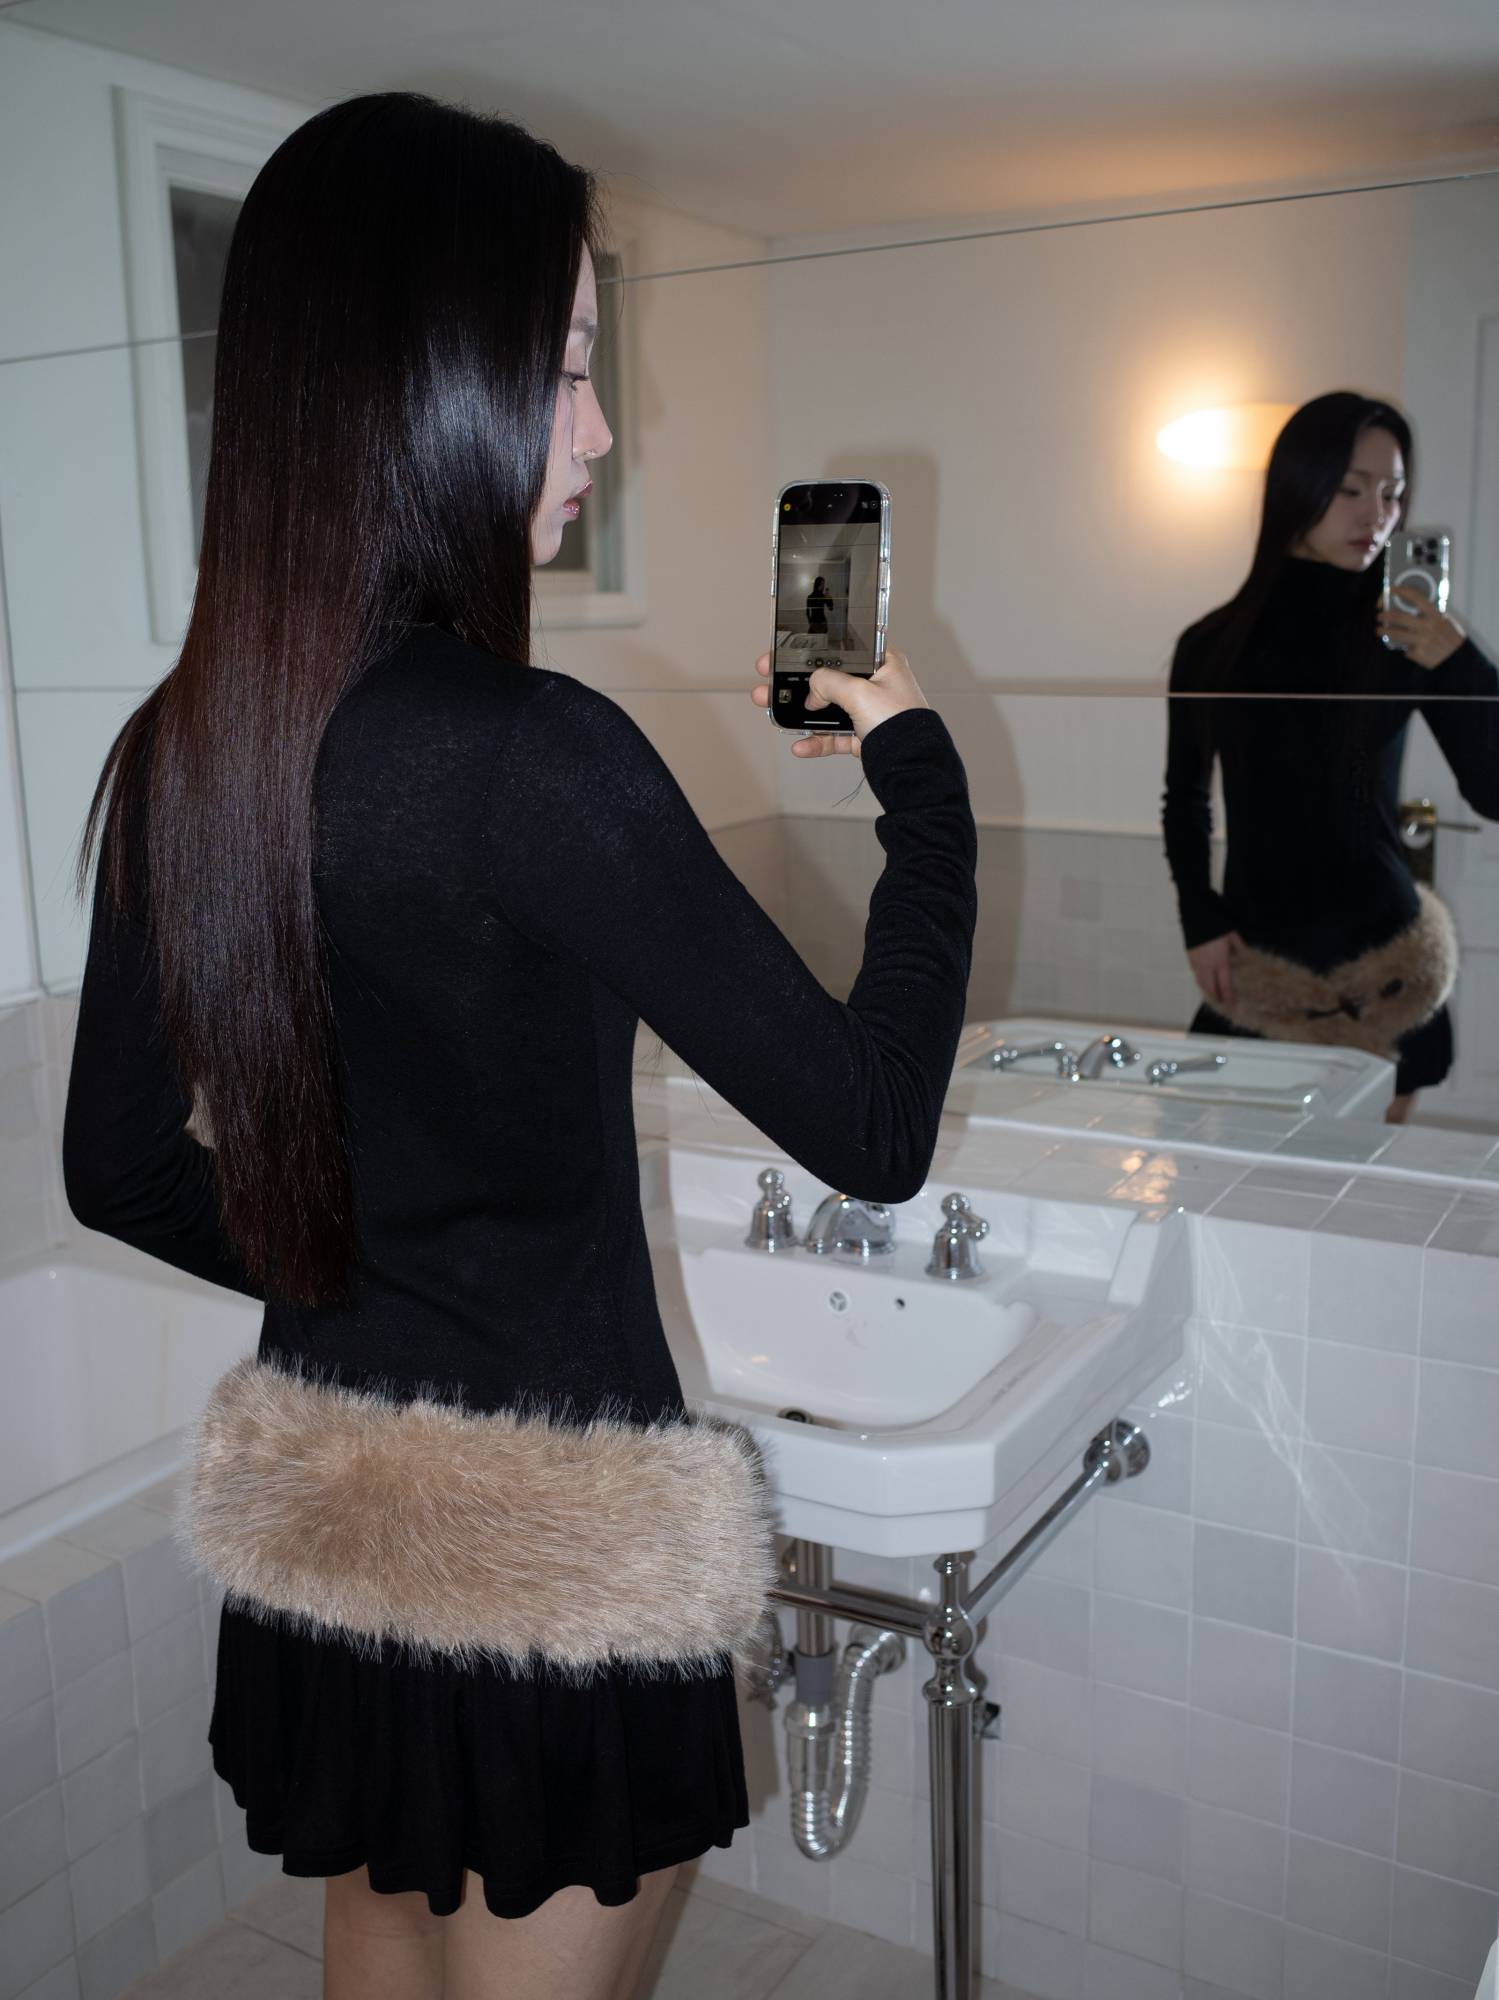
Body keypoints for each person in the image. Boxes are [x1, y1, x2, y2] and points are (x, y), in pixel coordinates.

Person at [58, 93, 977, 2000]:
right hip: (555, 1577)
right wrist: (922, 781)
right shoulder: (529, 759)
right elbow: (875, 1126)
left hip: (329, 1545)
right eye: (561, 366)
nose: (600, 430)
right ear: (421, 388)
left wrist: (357, 1268)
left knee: (374, 1946)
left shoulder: (186, 746)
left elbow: (119, 1169)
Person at [1161, 391, 1499, 1122]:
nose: (1377, 514)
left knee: (1364, 1188)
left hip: (1390, 970)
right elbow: (1184, 798)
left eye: (1393, 494)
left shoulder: (1406, 635)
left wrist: (1463, 664)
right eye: (1351, 489)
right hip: (1259, 971)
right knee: (1233, 1178)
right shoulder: (1213, 644)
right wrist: (1198, 918)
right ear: (1298, 486)